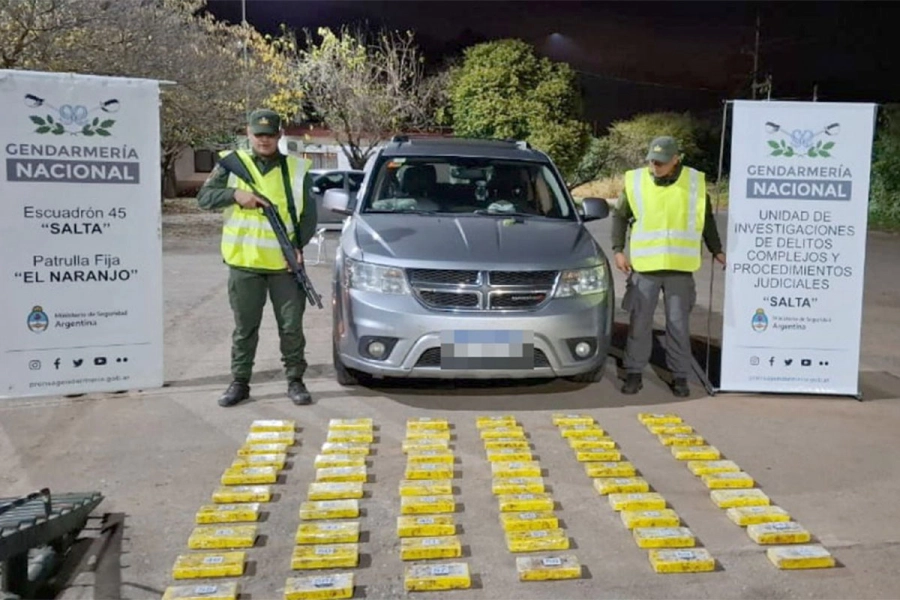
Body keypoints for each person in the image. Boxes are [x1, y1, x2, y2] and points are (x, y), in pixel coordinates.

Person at [197, 109, 318, 407]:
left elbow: (308, 216)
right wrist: (235, 196)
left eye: (270, 134)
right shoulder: (232, 164)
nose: (264, 140)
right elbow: (204, 198)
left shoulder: (297, 169)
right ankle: (240, 382)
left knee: (291, 327)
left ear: (279, 135)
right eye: (258, 134)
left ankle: (295, 379)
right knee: (245, 328)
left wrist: (299, 247)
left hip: (284, 265)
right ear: (248, 134)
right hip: (244, 262)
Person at [611, 136, 726, 397]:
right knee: (640, 323)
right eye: (652, 160)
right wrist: (618, 250)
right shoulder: (636, 181)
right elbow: (619, 216)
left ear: (676, 160)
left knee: (678, 325)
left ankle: (680, 376)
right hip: (644, 268)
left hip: (679, 269)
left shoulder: (694, 183)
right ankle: (633, 372)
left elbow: (705, 219)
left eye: (661, 162)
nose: (655, 166)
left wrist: (716, 249)